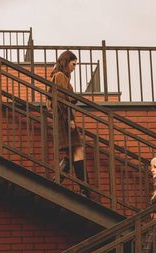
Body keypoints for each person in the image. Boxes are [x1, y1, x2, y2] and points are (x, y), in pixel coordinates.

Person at [47, 50, 90, 197]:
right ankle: (85, 191)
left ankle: (57, 182)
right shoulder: (59, 76)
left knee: (72, 153)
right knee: (78, 151)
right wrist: (70, 119)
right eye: (73, 64)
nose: (74, 67)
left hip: (63, 118)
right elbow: (61, 100)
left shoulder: (63, 77)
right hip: (64, 118)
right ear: (66, 62)